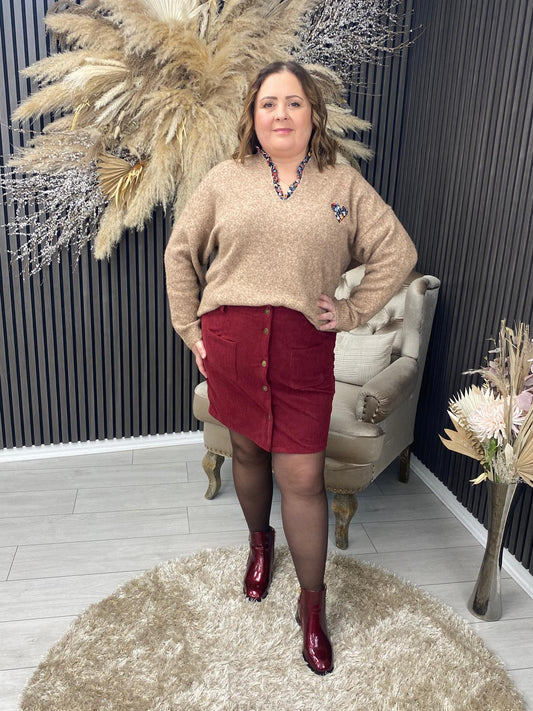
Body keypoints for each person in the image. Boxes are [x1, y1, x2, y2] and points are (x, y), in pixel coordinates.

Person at [164, 61, 417, 675]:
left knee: (302, 478)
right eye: (269, 103)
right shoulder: (225, 179)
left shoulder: (342, 184)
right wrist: (190, 330)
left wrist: (351, 311)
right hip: (231, 340)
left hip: (303, 348)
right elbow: (180, 252)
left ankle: (312, 605)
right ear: (253, 116)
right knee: (247, 454)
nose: (281, 114)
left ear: (313, 114)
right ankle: (260, 546)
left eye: (294, 103)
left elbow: (398, 252)